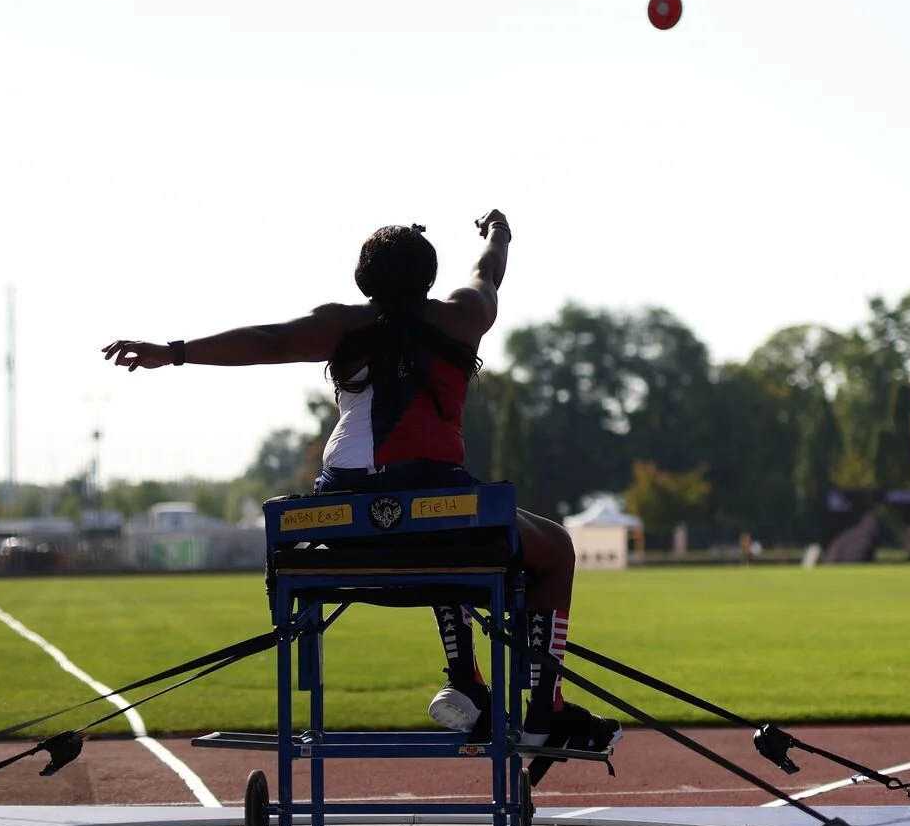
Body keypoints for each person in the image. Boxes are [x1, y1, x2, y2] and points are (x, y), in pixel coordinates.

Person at [101, 210, 620, 757]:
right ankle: (544, 709)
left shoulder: (342, 326)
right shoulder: (463, 317)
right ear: (428, 275)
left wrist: (174, 352)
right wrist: (499, 232)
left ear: (364, 279)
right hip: (440, 523)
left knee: (433, 518)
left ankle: (467, 680)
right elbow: (488, 273)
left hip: (343, 526)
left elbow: (265, 340)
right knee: (545, 543)